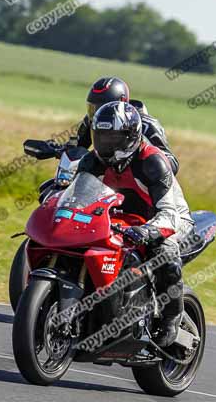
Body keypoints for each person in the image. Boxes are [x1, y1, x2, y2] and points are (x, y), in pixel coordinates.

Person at [77, 101, 193, 347]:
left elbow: (168, 214)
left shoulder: (152, 162)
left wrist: (148, 230)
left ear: (130, 137)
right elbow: (78, 198)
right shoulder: (93, 162)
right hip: (124, 218)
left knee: (163, 251)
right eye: (102, 137)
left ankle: (172, 317)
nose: (106, 144)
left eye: (113, 138)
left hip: (169, 217)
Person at [76, 77, 180, 174]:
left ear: (121, 101)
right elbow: (77, 146)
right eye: (92, 107)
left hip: (137, 180)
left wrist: (153, 165)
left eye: (102, 106)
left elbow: (171, 162)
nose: (97, 112)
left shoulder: (146, 123)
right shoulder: (94, 119)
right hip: (104, 179)